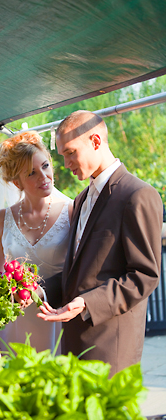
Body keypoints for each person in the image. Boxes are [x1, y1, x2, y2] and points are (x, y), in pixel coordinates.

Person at [37, 110, 163, 376]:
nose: (66, 163)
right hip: (73, 342)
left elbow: (144, 276)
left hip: (110, 345)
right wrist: (38, 290)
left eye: (70, 152)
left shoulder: (138, 195)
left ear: (95, 141)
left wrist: (86, 303)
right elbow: (80, 271)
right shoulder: (82, 199)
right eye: (61, 156)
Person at [0, 131, 73, 352]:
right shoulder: (1, 219)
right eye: (32, 173)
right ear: (17, 182)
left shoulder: (72, 212)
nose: (44, 177)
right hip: (13, 324)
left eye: (46, 166)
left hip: (56, 318)